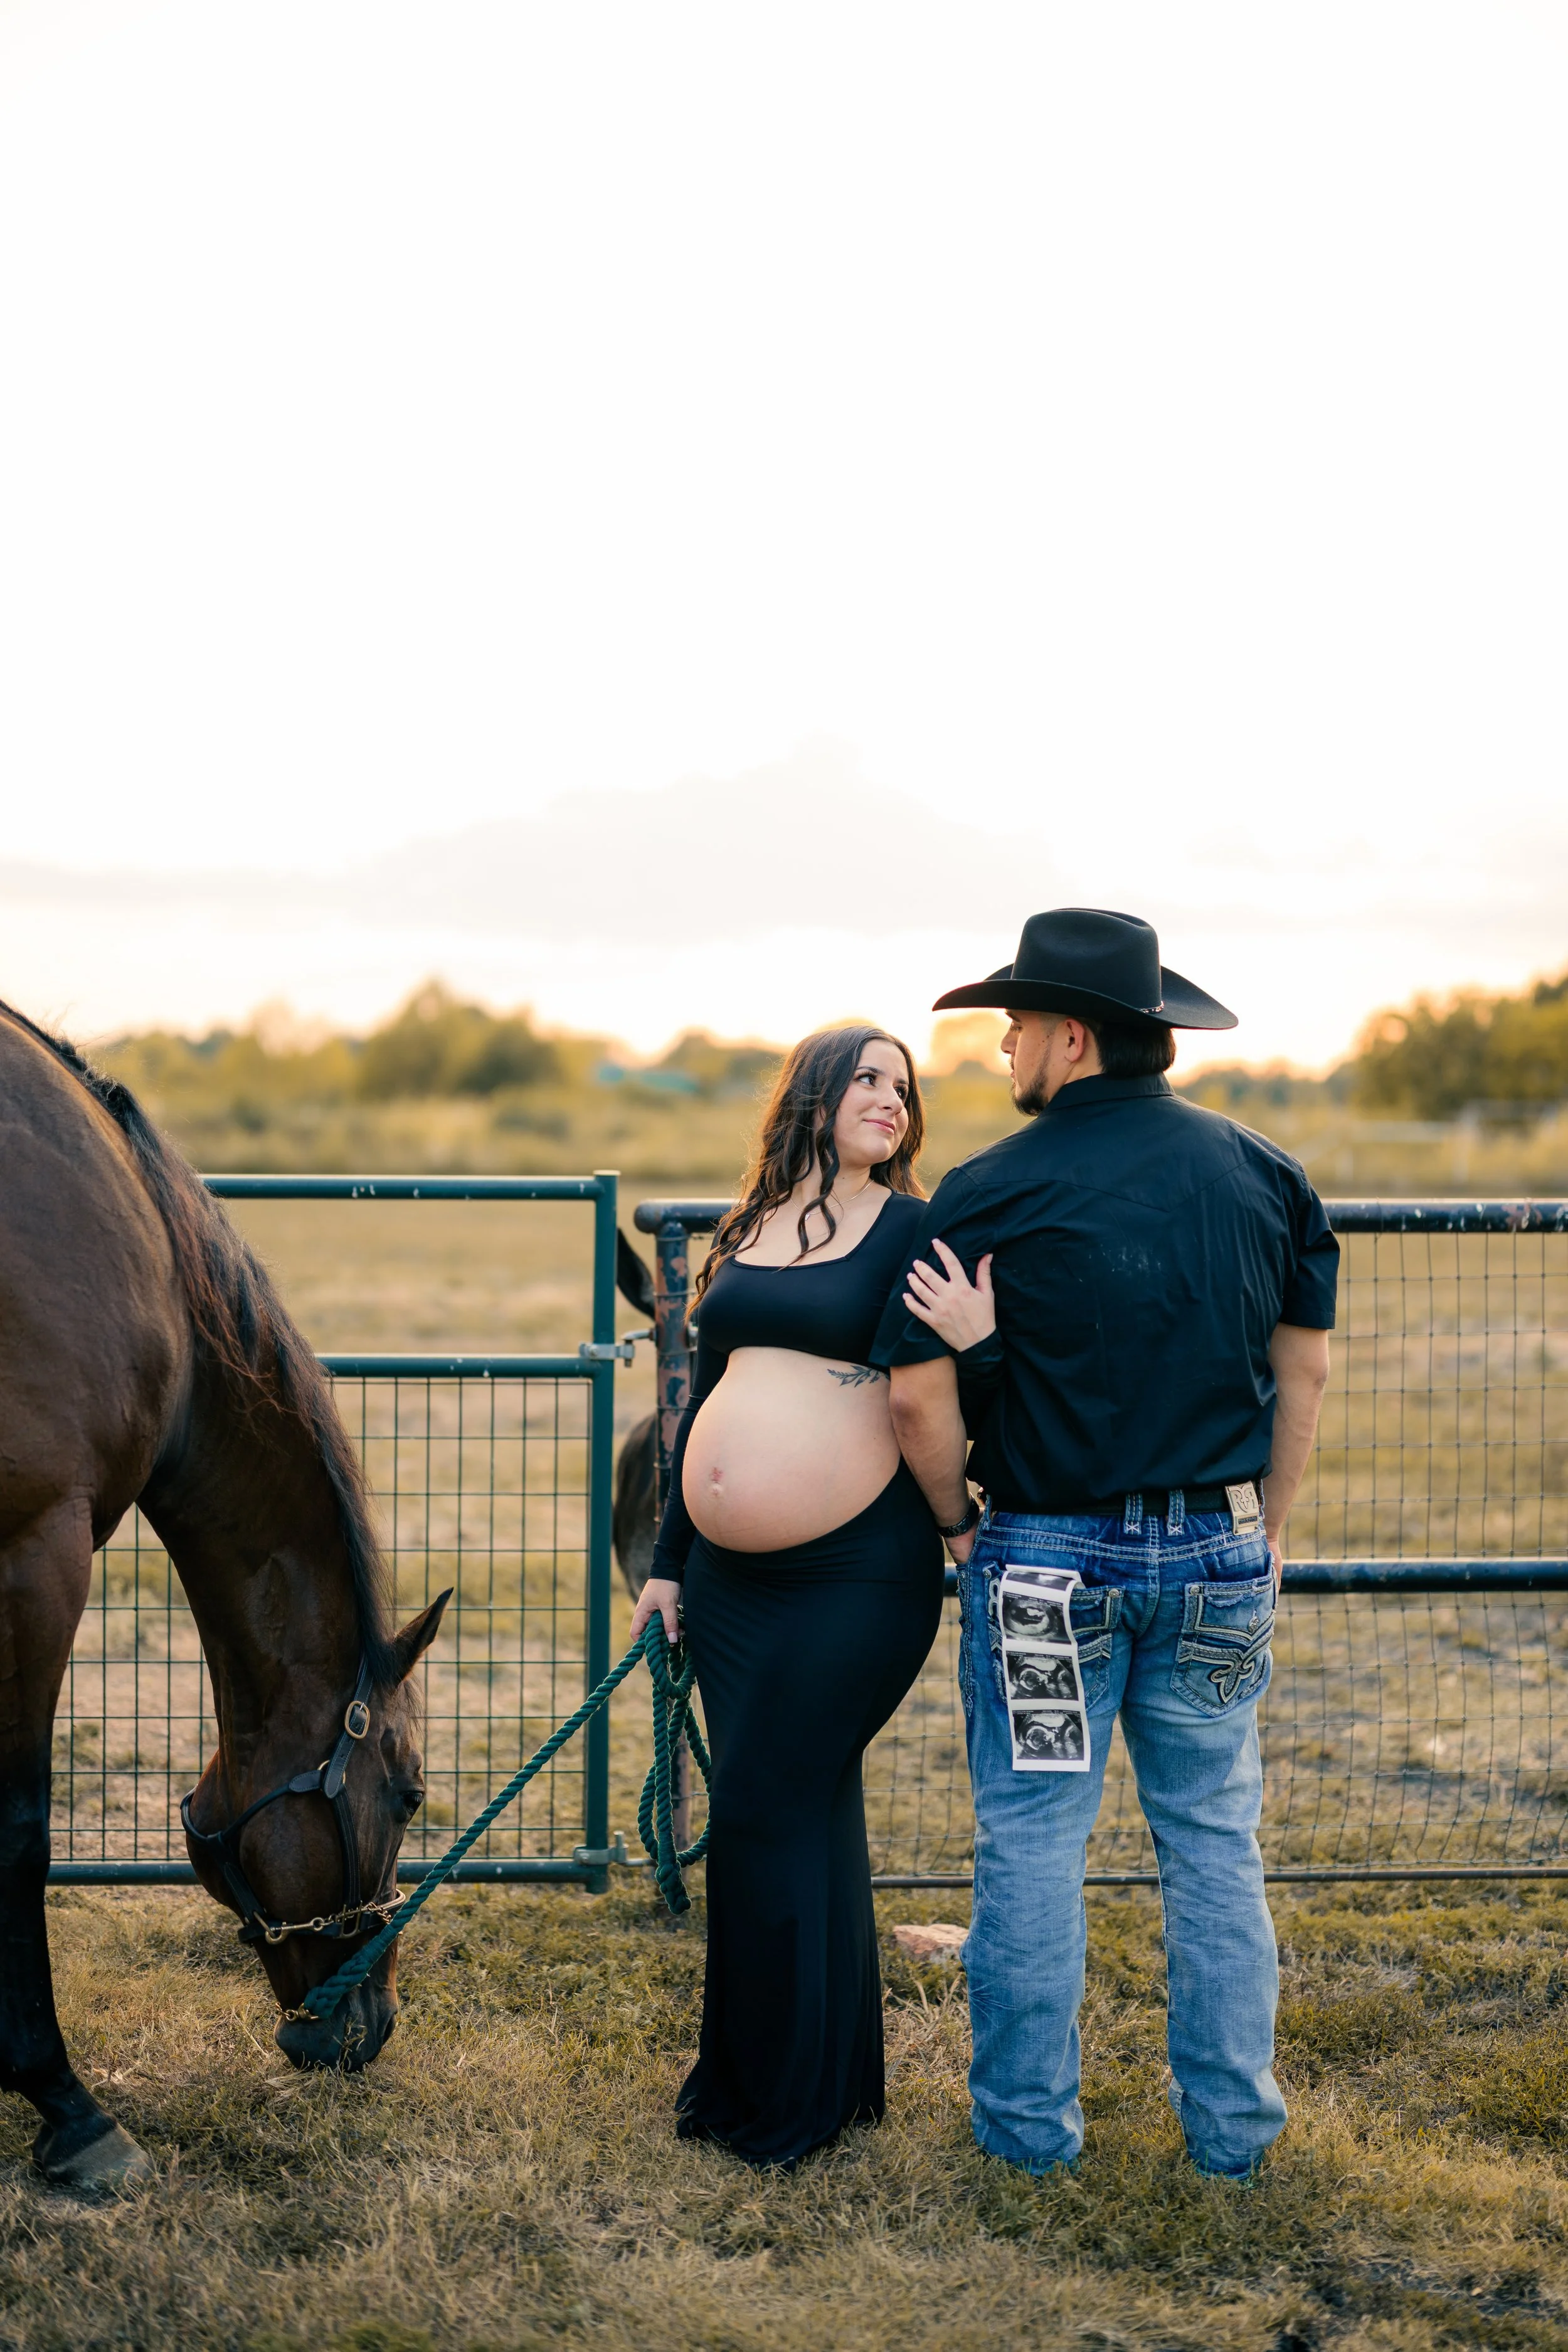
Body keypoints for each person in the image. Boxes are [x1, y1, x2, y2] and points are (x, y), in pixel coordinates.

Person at [871, 907, 1338, 2181]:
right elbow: (1298, 1378)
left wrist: (963, 1527)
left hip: (1039, 1572)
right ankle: (1233, 2140)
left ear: (1069, 1040)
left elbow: (915, 1400)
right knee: (1210, 1837)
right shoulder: (1266, 1175)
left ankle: (1025, 2139)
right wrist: (1266, 1532)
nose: (1002, 1047)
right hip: (1220, 1565)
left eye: (1014, 1025)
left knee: (1030, 1837)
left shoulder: (985, 1194)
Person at [630, 1024, 949, 2168]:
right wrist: (670, 1560)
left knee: (764, 1811)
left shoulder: (916, 1228)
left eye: (903, 1090)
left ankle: (765, 2101)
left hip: (854, 1574)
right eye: (867, 1079)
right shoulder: (748, 1229)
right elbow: (708, 1394)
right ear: (812, 1094)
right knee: (807, 1815)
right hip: (727, 1585)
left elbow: (949, 1380)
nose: (889, 1101)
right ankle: (825, 2086)